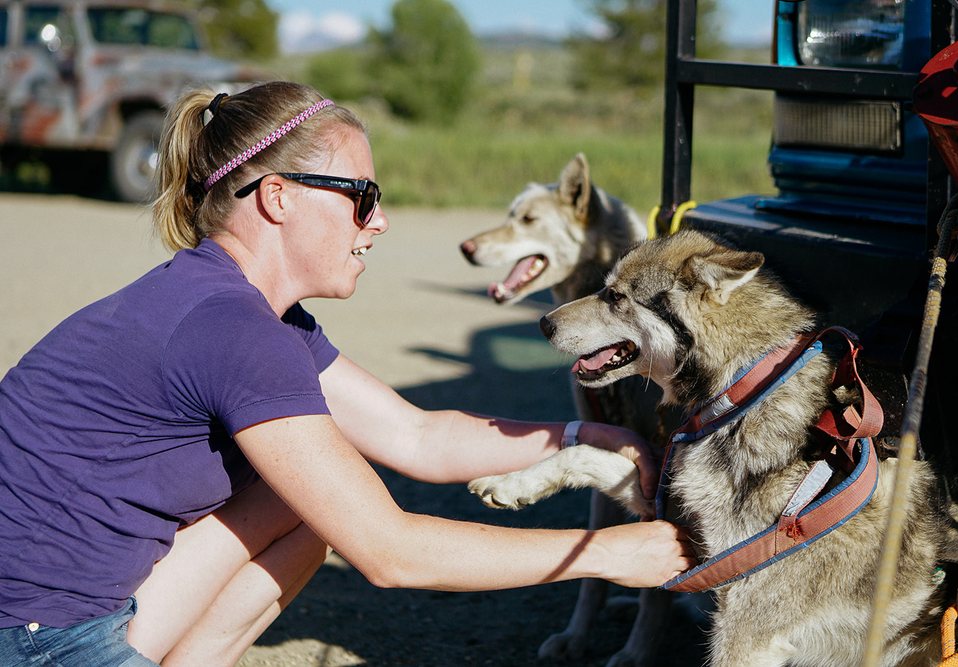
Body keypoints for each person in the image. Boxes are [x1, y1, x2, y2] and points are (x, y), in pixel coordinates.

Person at [0, 81, 693, 666]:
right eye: (362, 194)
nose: (381, 220)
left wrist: (580, 437)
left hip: (45, 610)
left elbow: (417, 435)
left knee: (302, 500)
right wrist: (610, 550)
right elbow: (391, 552)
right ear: (277, 197)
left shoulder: (241, 307)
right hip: (35, 639)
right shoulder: (234, 330)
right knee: (340, 507)